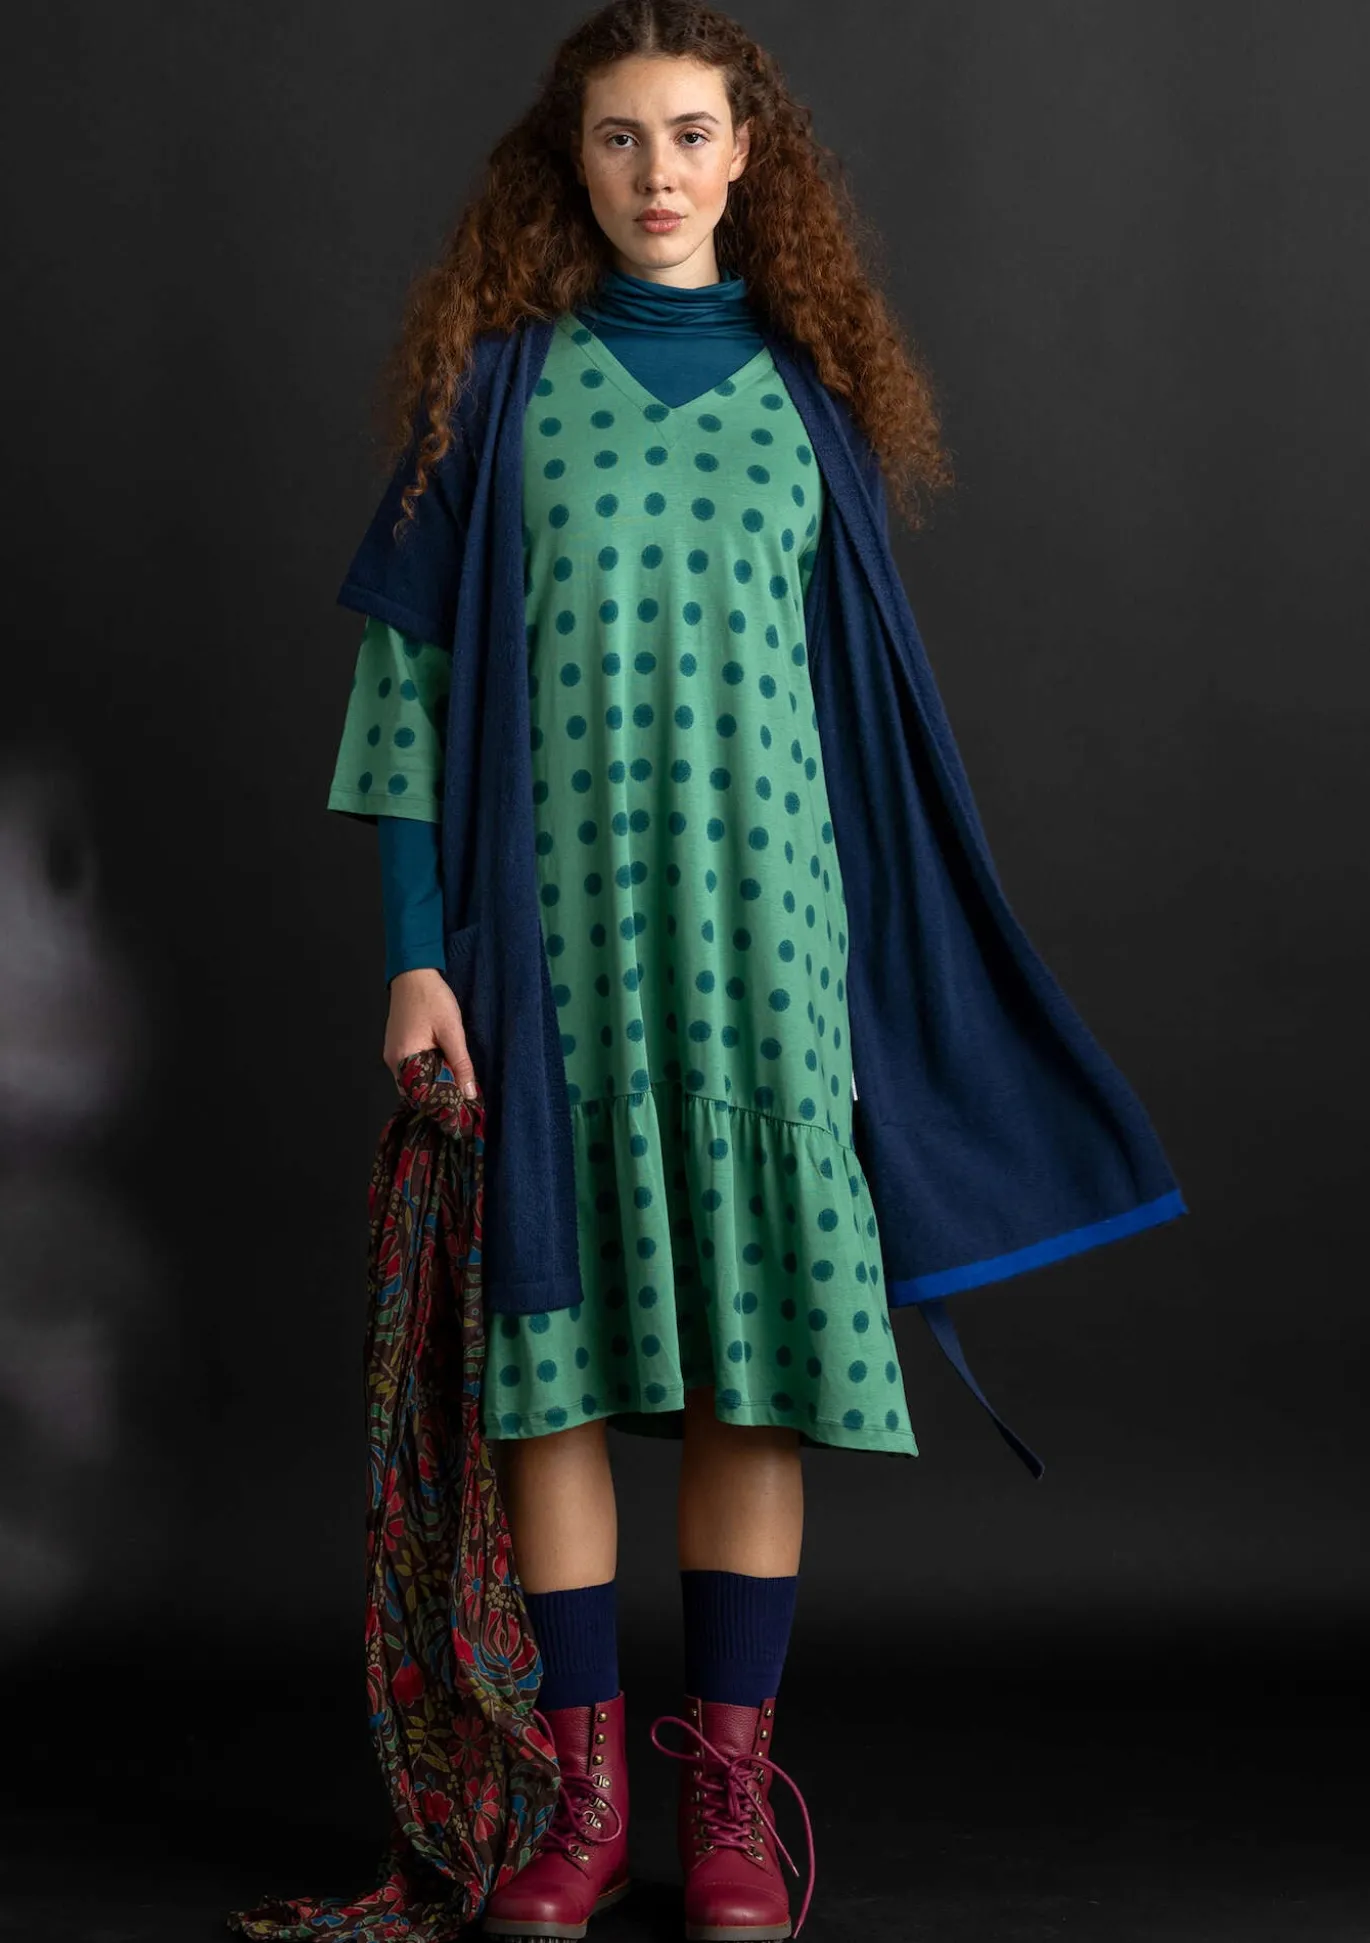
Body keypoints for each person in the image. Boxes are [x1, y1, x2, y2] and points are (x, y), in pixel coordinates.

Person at [324, 5, 1186, 1939]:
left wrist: (878, 992)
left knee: (750, 1380)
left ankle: (725, 1800)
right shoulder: (494, 394)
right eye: (618, 137)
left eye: (692, 133)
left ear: (747, 156)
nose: (657, 173)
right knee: (547, 1385)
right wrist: (414, 961)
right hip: (548, 955)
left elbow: (868, 729)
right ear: (570, 162)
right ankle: (576, 1805)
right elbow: (404, 691)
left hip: (771, 961)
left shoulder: (811, 404)